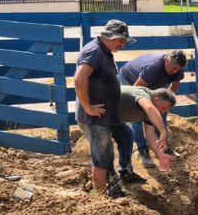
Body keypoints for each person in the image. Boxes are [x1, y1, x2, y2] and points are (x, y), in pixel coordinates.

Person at [74, 19, 135, 196]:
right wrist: (88, 107)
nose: (123, 44)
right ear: (110, 36)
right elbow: (79, 79)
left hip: (106, 117)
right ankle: (99, 200)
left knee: (119, 140)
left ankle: (113, 188)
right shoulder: (94, 51)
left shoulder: (104, 51)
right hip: (95, 119)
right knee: (101, 159)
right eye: (121, 40)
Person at [119, 50, 186, 167]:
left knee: (161, 111)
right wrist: (149, 108)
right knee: (138, 115)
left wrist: (165, 105)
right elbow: (136, 91)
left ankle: (161, 147)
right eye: (173, 68)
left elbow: (173, 87)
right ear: (166, 61)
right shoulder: (153, 67)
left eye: (177, 69)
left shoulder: (177, 68)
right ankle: (142, 151)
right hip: (131, 81)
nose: (175, 72)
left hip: (153, 83)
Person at [108, 86, 177, 189]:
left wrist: (159, 153)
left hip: (113, 120)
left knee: (128, 134)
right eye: (163, 108)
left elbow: (150, 135)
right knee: (105, 149)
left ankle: (126, 172)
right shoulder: (143, 94)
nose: (164, 112)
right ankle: (110, 181)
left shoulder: (150, 112)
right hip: (96, 117)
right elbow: (149, 107)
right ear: (157, 99)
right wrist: (163, 131)